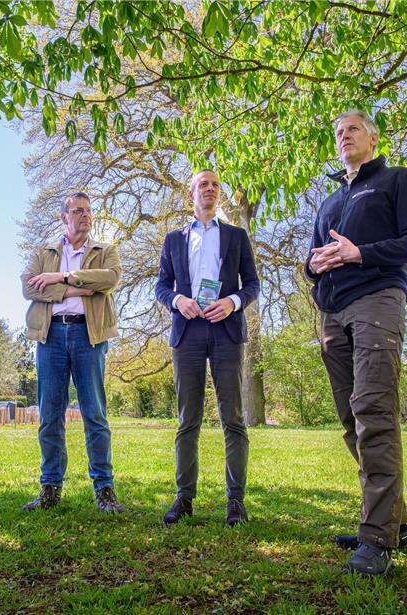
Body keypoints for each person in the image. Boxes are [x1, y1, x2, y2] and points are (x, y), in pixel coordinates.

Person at [306, 110, 407, 576]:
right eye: (338, 132)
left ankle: (378, 538)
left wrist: (360, 253)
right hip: (333, 313)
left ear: (374, 138)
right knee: (351, 419)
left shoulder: (397, 180)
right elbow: (313, 258)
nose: (344, 136)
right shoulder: (330, 201)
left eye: (353, 129)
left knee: (374, 412)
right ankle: (393, 522)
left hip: (377, 301)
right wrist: (317, 265)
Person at [155, 169, 259, 527]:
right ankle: (184, 498)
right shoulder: (173, 240)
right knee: (188, 419)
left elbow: (253, 286)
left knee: (233, 418)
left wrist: (232, 301)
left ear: (219, 195)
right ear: (192, 195)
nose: (210, 189)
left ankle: (236, 501)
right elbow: (161, 288)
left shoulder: (236, 235)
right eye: (204, 184)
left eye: (215, 185)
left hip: (226, 331)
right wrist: (177, 300)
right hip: (188, 333)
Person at [21, 192, 124, 513]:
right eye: (78, 211)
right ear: (64, 217)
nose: (85, 216)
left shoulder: (105, 251)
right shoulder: (44, 252)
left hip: (88, 335)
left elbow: (110, 279)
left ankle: (104, 490)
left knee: (95, 413)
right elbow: (28, 286)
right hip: (50, 336)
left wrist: (61, 277)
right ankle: (50, 488)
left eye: (89, 211)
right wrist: (79, 289)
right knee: (50, 414)